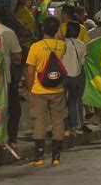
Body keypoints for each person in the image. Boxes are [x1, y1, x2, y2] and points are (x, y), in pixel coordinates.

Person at [26, 16, 68, 165]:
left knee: (40, 122)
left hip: (39, 89)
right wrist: (58, 29)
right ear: (57, 30)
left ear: (42, 28)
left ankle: (39, 157)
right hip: (57, 89)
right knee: (58, 121)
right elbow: (62, 38)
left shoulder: (35, 47)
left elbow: (30, 71)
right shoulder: (61, 46)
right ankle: (56, 156)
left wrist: (30, 88)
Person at [0, 5, 22, 149]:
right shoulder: (8, 32)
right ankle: (11, 140)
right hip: (4, 80)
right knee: (13, 111)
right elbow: (17, 57)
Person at [62, 22, 87, 137]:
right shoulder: (81, 44)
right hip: (75, 76)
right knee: (73, 102)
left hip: (63, 76)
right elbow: (82, 62)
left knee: (62, 103)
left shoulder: (62, 43)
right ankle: (74, 127)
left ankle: (66, 128)